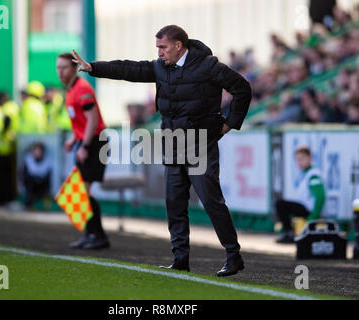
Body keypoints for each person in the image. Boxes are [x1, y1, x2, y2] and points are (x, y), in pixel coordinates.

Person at [71, 25, 252, 277]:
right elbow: (129, 69)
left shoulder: (208, 66)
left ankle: (233, 256)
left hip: (200, 142)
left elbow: (242, 88)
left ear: (179, 46)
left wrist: (229, 123)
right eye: (157, 48)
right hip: (172, 142)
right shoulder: (159, 67)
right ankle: (180, 259)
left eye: (163, 47)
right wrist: (94, 67)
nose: (159, 53)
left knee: (211, 200)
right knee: (174, 202)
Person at [56, 52, 110, 250]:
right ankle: (92, 234)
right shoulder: (70, 90)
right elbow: (82, 121)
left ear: (73, 69)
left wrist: (85, 146)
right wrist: (74, 139)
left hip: (96, 142)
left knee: (82, 192)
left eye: (64, 68)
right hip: (88, 141)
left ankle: (97, 236)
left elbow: (93, 119)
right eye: (58, 68)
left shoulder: (82, 89)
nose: (60, 72)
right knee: (78, 192)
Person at [276, 146, 326, 244]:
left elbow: (321, 197)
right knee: (283, 204)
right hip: (305, 208)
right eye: (297, 159)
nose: (299, 162)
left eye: (302, 159)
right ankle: (290, 232)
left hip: (308, 211)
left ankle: (289, 234)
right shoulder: (306, 174)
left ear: (310, 158)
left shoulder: (313, 175)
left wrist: (312, 217)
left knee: (280, 204)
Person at [22, 142, 51, 208]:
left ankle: (45, 206)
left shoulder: (47, 161)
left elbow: (48, 177)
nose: (37, 153)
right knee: (29, 185)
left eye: (39, 151)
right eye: (36, 150)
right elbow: (24, 175)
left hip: (42, 184)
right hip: (31, 184)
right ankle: (28, 203)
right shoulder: (28, 160)